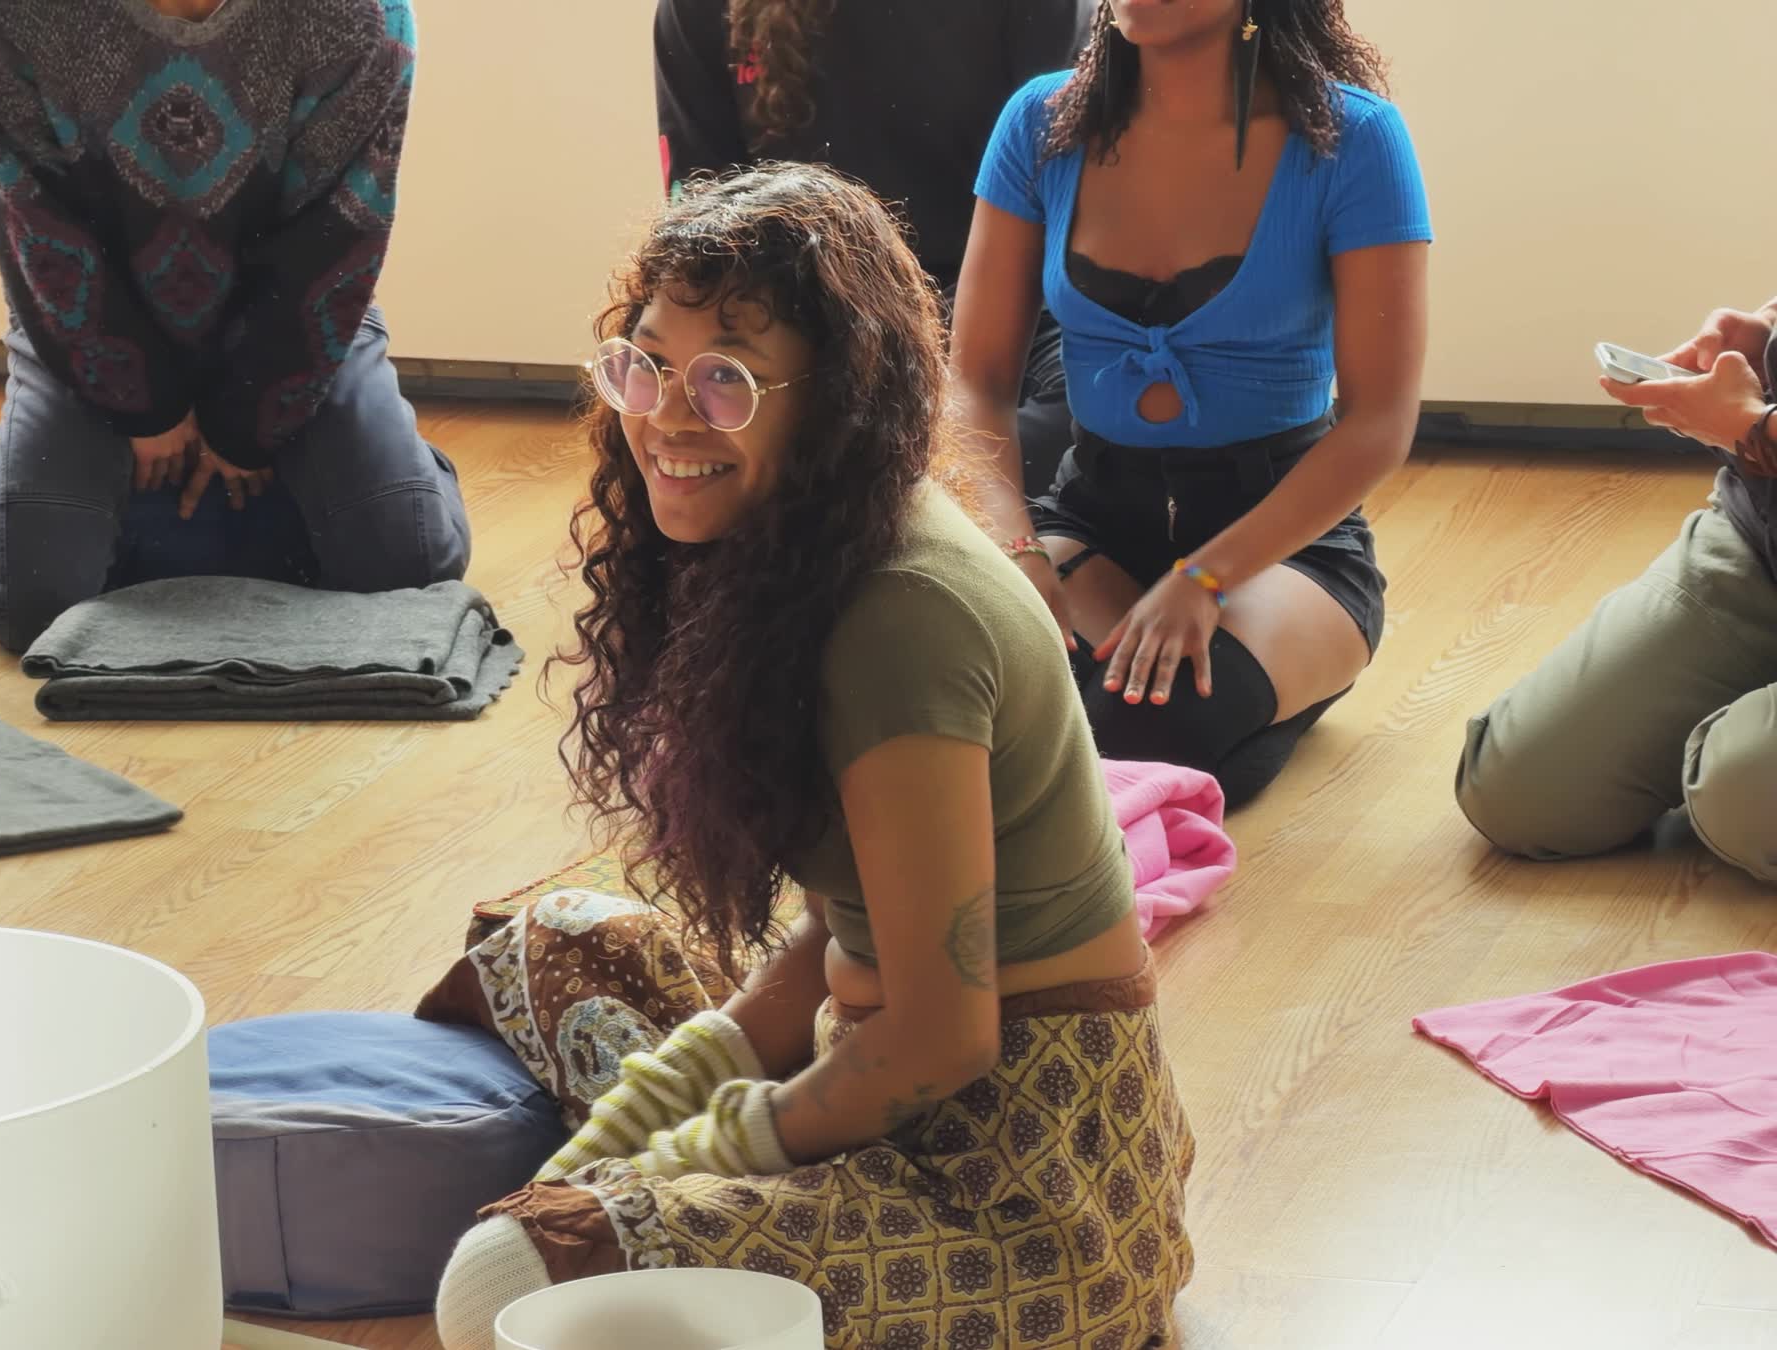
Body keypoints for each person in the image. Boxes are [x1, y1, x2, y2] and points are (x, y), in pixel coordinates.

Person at [426, 166, 1192, 1350]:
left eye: (725, 378)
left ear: (835, 396)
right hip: (891, 1073)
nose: (669, 417)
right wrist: (652, 1121)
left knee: (497, 1282)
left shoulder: (900, 619)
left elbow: (943, 1038)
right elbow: (848, 925)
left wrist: (689, 1156)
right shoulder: (803, 543)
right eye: (646, 362)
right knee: (549, 940)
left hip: (1024, 1188)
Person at [945, 0, 1430, 808]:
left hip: (1281, 547)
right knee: (978, 708)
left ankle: (1276, 680)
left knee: (1128, 733)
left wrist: (1205, 579)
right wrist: (1016, 546)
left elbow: (1381, 422)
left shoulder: (1354, 141)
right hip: (1094, 513)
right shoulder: (1040, 121)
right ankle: (1242, 729)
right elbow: (977, 381)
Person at [0, 0, 472, 654]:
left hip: (302, 322)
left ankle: (397, 465)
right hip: (78, 322)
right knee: (33, 603)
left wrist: (246, 426)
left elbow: (336, 240)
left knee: (408, 564)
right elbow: (40, 234)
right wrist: (143, 410)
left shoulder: (362, 14)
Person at [654, 0, 1093, 494]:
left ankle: (863, 505)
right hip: (806, 313)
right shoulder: (699, 11)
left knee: (1090, 413)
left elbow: (1064, 217)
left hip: (997, 303)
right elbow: (699, 241)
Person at [1456, 304, 1777, 883]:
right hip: (1762, 547)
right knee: (1526, 793)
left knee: (1743, 795)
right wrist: (1768, 338)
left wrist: (1757, 430)